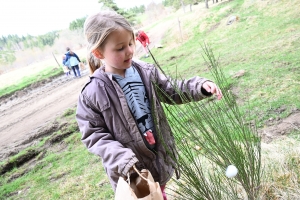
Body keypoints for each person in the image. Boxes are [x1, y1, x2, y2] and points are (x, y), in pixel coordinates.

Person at [76, 11, 223, 200]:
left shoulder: (145, 72)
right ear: (98, 53)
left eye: (131, 43)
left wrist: (199, 87)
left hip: (158, 157)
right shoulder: (92, 92)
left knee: (159, 193)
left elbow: (172, 89)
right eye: (120, 48)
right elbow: (93, 135)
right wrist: (122, 158)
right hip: (131, 171)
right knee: (150, 197)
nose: (129, 51)